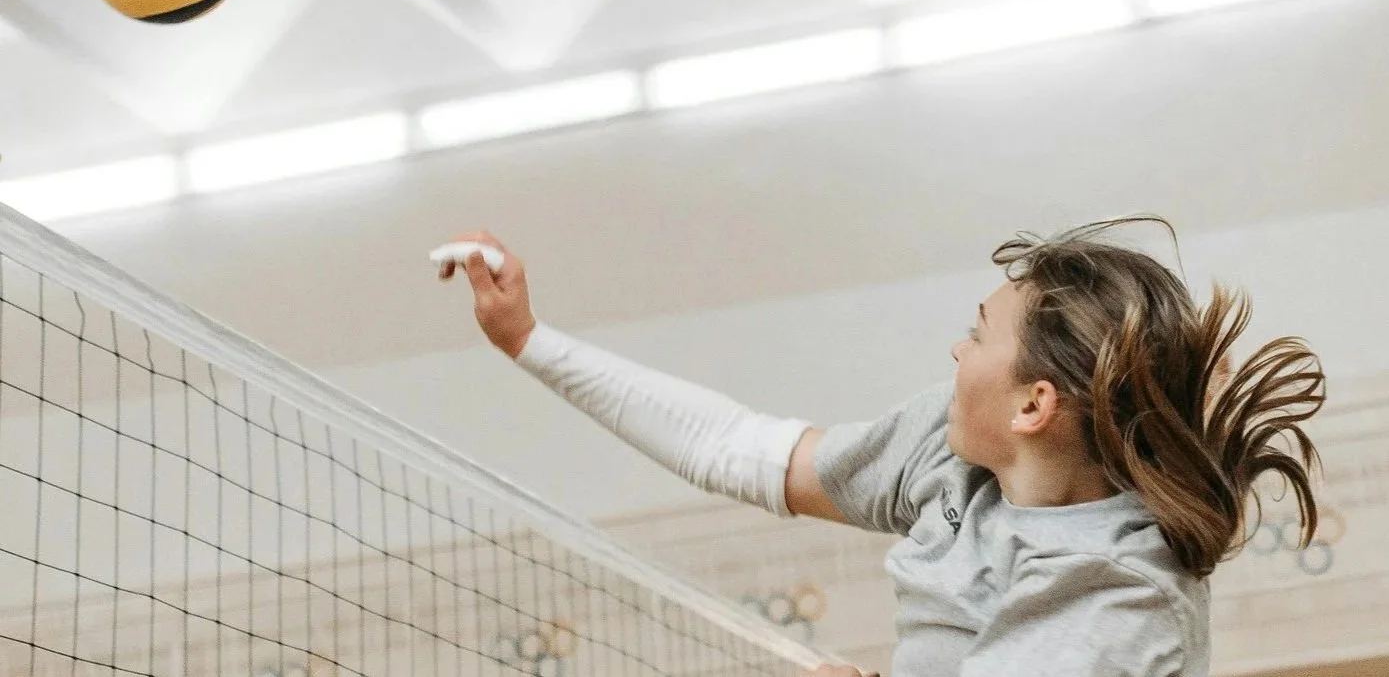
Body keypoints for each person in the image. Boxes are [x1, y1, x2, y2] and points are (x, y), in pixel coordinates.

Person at [439, 216, 1325, 676]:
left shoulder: (1114, 594)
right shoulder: (952, 460)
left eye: (977, 334)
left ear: (1033, 403)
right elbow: (738, 447)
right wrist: (529, 339)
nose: (956, 351)